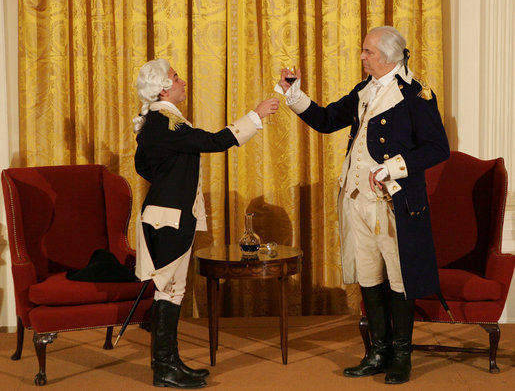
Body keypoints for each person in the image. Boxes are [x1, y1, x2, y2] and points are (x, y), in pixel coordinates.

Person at [277, 26, 449, 384]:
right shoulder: (364, 89)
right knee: (369, 276)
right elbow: (326, 121)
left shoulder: (417, 96)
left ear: (387, 56)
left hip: (395, 204)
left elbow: (437, 149)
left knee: (399, 280)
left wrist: (393, 167)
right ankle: (376, 352)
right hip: (357, 201)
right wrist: (294, 94)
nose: (362, 56)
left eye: (367, 51)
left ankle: (402, 356)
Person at [133, 58, 278, 389]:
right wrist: (256, 115)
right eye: (176, 77)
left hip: (164, 215)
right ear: (164, 88)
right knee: (169, 290)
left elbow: (144, 165)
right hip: (169, 219)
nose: (182, 81)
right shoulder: (168, 123)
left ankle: (168, 364)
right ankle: (165, 368)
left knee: (171, 290)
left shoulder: (156, 123)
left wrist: (169, 180)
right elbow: (213, 142)